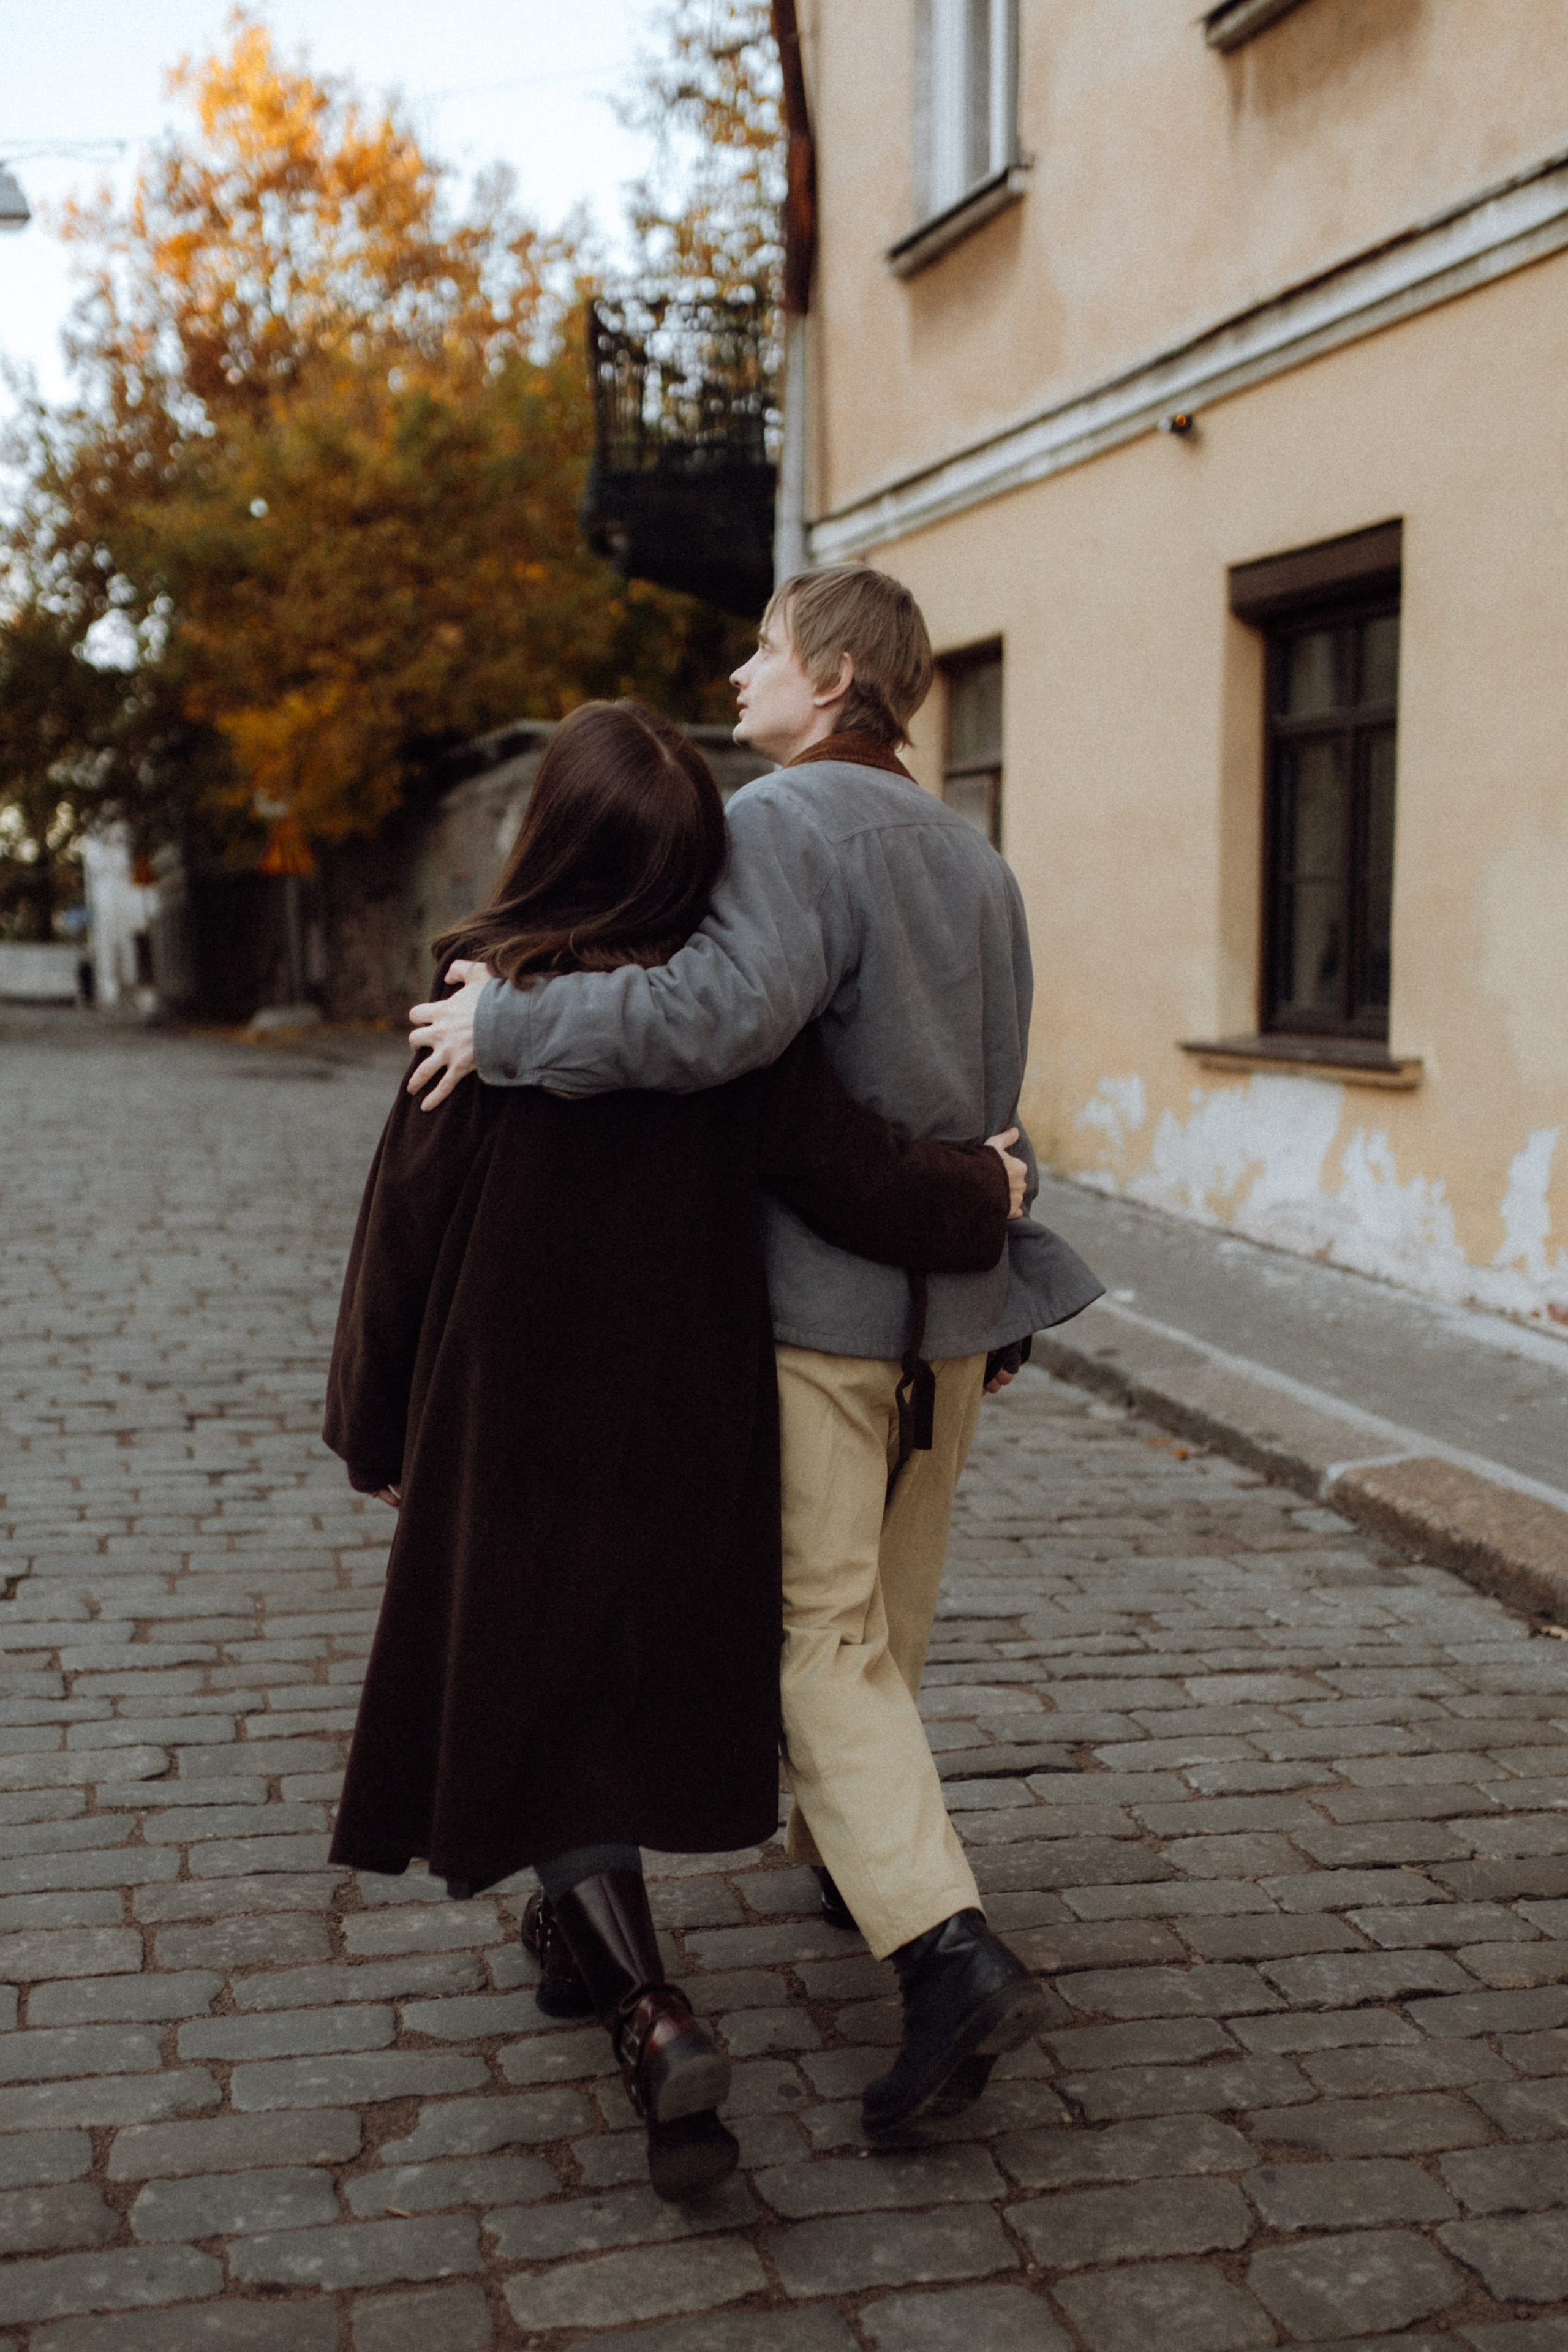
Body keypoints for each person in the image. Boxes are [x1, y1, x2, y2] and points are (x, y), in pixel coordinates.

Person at [406, 567, 1102, 2137]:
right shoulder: (976, 861)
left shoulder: (783, 827)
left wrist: (501, 1031)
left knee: (822, 1645)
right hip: (951, 1318)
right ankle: (861, 1865)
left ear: (839, 673)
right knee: (885, 1625)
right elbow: (985, 1104)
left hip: (828, 1316)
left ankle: (944, 1955)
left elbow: (714, 1021)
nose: (736, 675)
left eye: (766, 649)